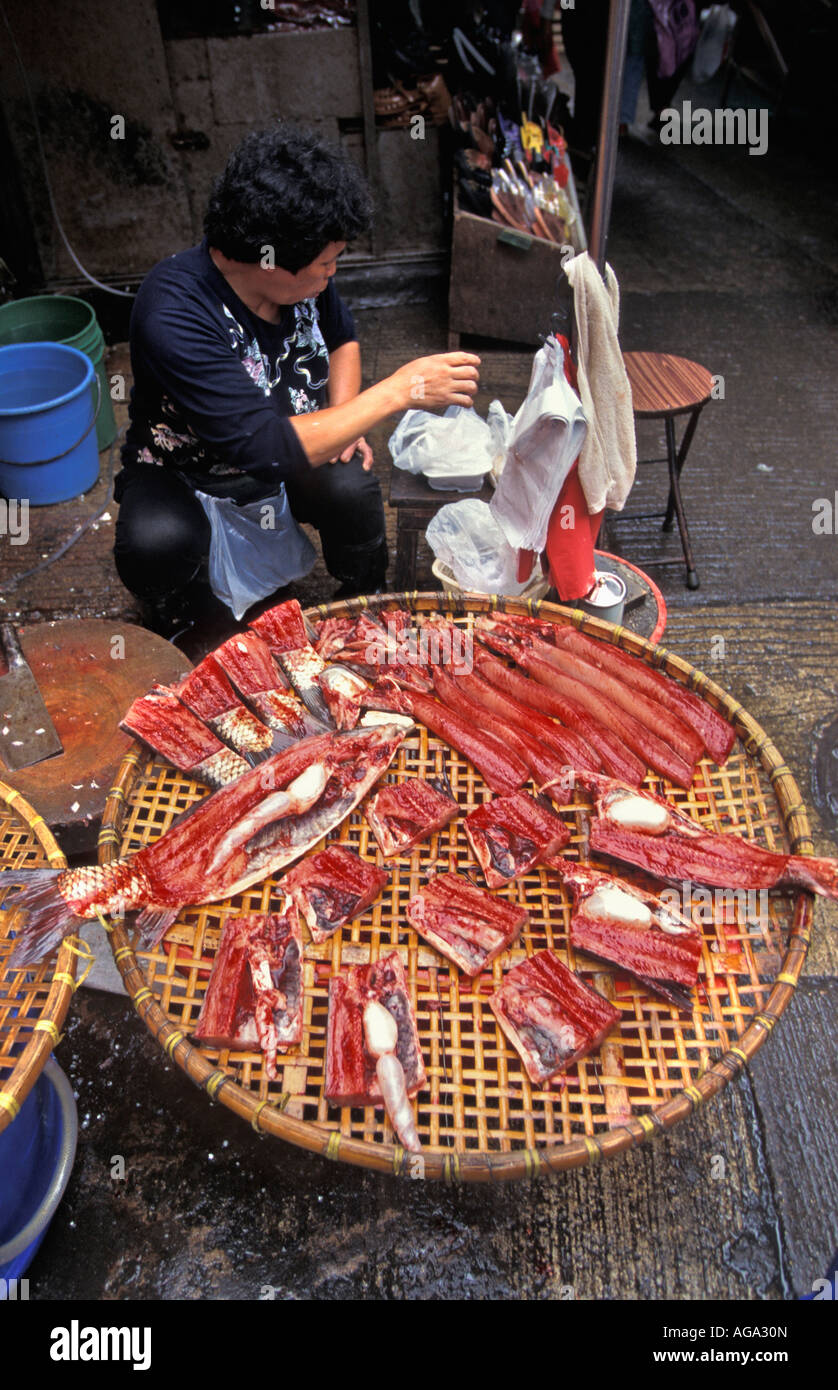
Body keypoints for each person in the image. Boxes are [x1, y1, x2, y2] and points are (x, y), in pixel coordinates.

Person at [114, 122, 480, 634]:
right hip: (187, 473)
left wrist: (346, 423)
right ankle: (179, 614)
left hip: (286, 450)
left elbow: (341, 336)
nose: (333, 274)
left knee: (351, 486)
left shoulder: (300, 281)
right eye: (327, 263)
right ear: (272, 263)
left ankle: (365, 596)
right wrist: (399, 390)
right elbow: (262, 445)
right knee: (156, 542)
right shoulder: (173, 311)